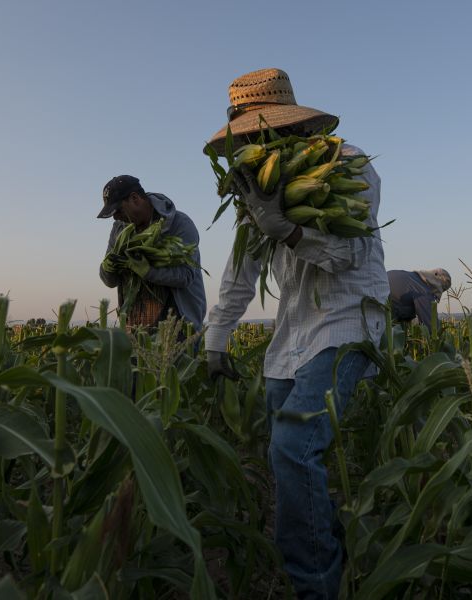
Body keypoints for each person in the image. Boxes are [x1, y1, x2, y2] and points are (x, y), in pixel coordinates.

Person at [202, 68, 388, 600]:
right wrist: (217, 338)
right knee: (285, 453)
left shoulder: (347, 164)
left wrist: (286, 228)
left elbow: (350, 254)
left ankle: (316, 587)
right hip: (292, 336)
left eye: (258, 134)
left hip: (346, 319)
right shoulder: (254, 181)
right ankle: (334, 554)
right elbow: (240, 268)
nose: (252, 145)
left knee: (292, 447)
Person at [97, 174, 205, 330]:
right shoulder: (120, 229)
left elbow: (186, 275)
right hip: (134, 327)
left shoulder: (179, 224)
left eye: (118, 210)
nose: (115, 218)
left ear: (135, 198)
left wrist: (148, 272)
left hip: (178, 328)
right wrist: (107, 269)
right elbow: (110, 281)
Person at [388, 268, 453, 326]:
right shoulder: (424, 291)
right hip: (386, 312)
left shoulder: (413, 276)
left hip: (381, 295)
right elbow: (431, 325)